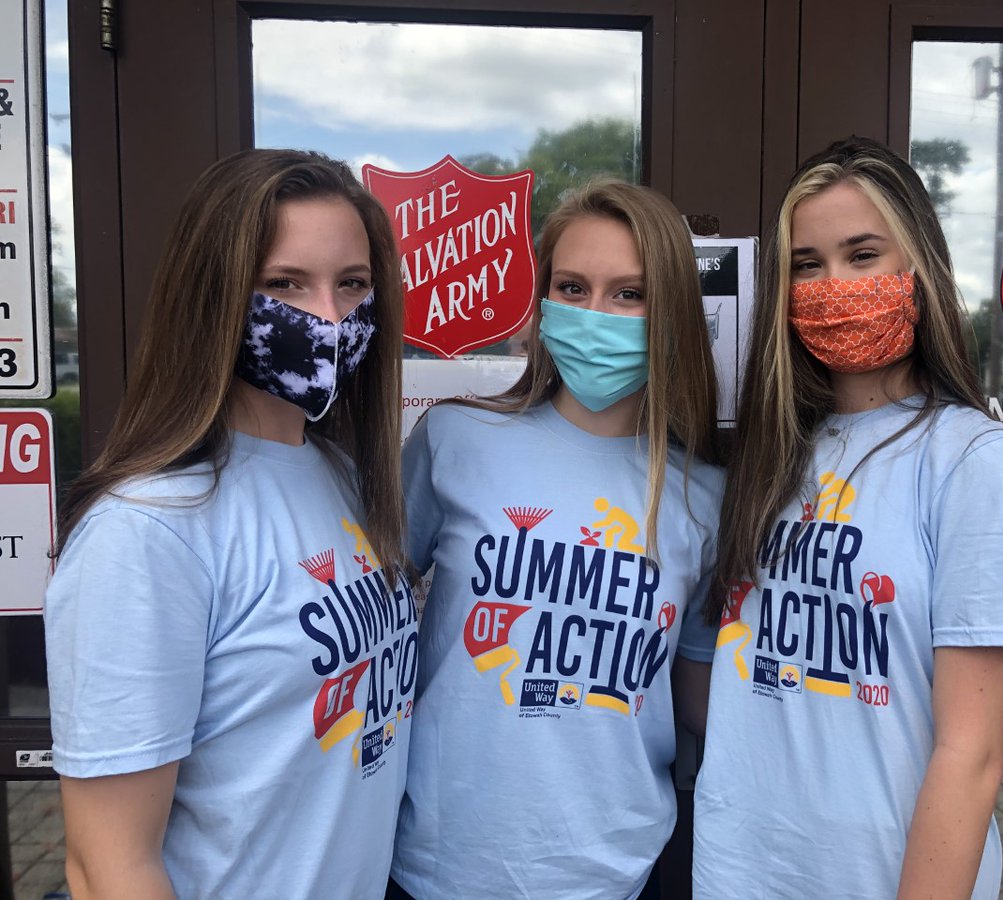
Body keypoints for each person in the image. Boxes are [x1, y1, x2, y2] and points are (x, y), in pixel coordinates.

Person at [44, 149, 418, 899]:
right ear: (215, 295)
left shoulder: (344, 476)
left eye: (352, 285)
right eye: (285, 283)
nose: (329, 317)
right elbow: (108, 866)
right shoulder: (147, 532)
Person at [692, 136, 1003, 899]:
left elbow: (972, 753)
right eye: (807, 264)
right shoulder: (769, 460)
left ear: (918, 266)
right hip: (739, 869)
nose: (834, 285)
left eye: (863, 254)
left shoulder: (975, 462)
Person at [391, 179, 723, 899]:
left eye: (629, 294)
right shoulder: (456, 438)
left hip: (612, 868)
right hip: (441, 862)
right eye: (572, 288)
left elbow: (700, 691)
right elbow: (368, 621)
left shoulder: (704, 497)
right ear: (542, 303)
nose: (595, 315)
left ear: (671, 311)